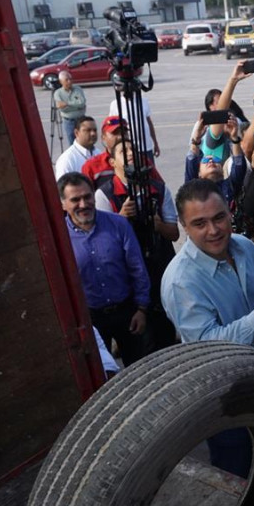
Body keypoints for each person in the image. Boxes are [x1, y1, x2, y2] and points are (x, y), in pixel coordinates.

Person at [161, 179, 254, 474]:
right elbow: (209, 347)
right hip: (225, 396)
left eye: (218, 218)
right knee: (235, 469)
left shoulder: (245, 247)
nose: (213, 231)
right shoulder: (181, 282)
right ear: (184, 227)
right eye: (199, 223)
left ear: (229, 213)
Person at [94, 138, 179, 351]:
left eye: (133, 149)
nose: (131, 152)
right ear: (112, 162)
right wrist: (120, 219)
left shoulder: (158, 189)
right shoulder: (104, 195)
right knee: (140, 342)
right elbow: (102, 245)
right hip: (128, 278)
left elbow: (174, 233)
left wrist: (158, 225)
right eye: (124, 151)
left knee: (165, 333)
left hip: (159, 269)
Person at [58, 172, 151, 367]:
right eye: (75, 199)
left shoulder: (119, 224)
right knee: (101, 375)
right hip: (91, 320)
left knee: (140, 371)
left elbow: (137, 268)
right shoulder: (59, 239)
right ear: (62, 204)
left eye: (87, 197)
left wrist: (141, 309)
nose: (83, 204)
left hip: (127, 313)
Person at [109, 94, 161, 161]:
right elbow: (112, 128)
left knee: (149, 170)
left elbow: (149, 123)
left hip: (146, 146)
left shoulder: (143, 101)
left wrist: (155, 143)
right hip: (128, 149)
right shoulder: (115, 104)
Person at [82, 116, 129, 188]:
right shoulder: (91, 166)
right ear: (103, 137)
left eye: (124, 132)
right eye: (115, 133)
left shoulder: (142, 161)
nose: (120, 137)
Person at [53, 71, 86, 141]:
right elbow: (62, 109)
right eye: (66, 80)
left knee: (85, 140)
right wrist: (77, 106)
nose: (69, 81)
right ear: (61, 81)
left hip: (81, 119)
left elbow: (82, 103)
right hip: (69, 122)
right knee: (72, 141)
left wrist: (67, 103)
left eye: (70, 79)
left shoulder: (78, 89)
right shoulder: (58, 93)